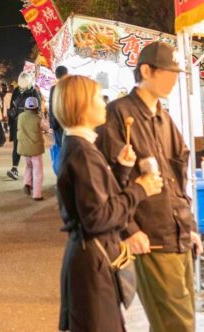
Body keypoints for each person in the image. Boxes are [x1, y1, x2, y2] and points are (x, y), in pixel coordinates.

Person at [96, 41, 200, 332]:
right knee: (176, 324)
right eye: (168, 72)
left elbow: (179, 176)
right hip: (149, 236)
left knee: (182, 318)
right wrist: (129, 229)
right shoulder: (118, 114)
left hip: (177, 232)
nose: (174, 79)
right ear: (146, 70)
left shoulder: (164, 117)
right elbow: (106, 180)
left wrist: (189, 226)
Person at [55, 75, 163, 331]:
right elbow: (98, 217)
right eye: (98, 98)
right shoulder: (83, 153)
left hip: (89, 259)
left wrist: (122, 170)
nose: (104, 103)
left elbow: (95, 196)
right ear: (82, 106)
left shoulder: (80, 147)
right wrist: (140, 188)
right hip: (92, 264)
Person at [7, 74, 41, 180]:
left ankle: (32, 171)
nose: (22, 84)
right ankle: (14, 169)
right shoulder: (16, 91)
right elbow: (11, 106)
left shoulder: (33, 92)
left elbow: (38, 107)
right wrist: (11, 119)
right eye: (20, 81)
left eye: (24, 81)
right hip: (17, 122)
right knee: (17, 146)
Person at [17, 96, 47, 200]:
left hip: (25, 147)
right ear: (36, 107)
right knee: (38, 170)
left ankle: (27, 183)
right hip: (35, 148)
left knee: (28, 166)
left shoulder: (21, 116)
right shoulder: (38, 118)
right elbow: (46, 127)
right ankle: (37, 194)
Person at [48, 66, 69, 175]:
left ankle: (61, 174)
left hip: (58, 124)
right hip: (70, 124)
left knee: (60, 148)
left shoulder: (54, 89)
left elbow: (52, 107)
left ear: (56, 75)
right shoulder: (72, 87)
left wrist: (52, 124)